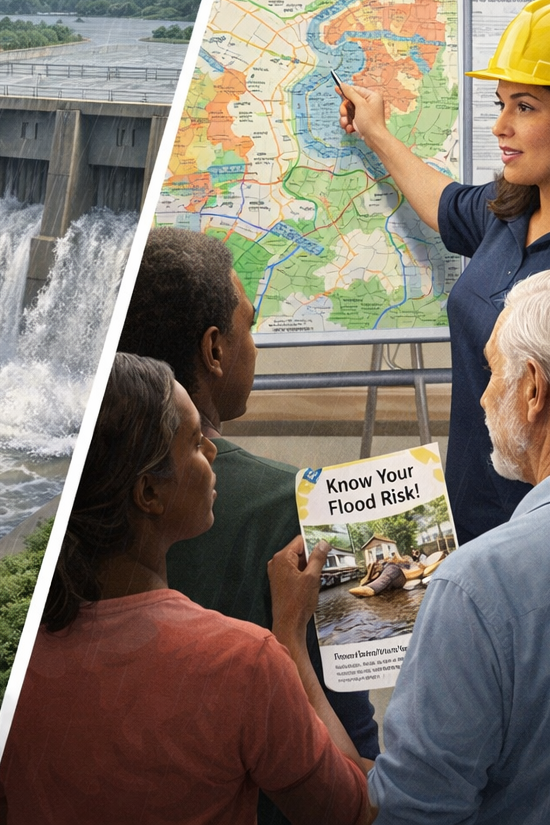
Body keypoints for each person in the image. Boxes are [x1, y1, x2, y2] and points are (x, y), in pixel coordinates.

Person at [0, 353, 374, 825]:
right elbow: (350, 811)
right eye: (195, 443)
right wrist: (289, 636)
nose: (214, 452)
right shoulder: (244, 661)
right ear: (149, 493)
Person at [337, 0, 550, 541]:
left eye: (524, 107)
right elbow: (443, 203)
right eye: (501, 103)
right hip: (468, 517)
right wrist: (376, 131)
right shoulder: (508, 210)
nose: (500, 126)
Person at [368, 265, 550, 823]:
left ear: (534, 389)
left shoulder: (480, 588)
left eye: (493, 373)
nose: (481, 399)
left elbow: (411, 812)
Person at [117, 229, 380, 770]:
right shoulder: (315, 506)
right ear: (214, 349)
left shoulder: (102, 491)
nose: (255, 346)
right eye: (250, 326)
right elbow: (354, 749)